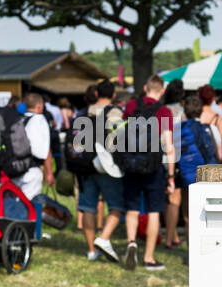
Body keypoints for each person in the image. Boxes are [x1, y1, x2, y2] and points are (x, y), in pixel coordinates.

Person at [117, 74, 175, 273]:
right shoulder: (164, 111)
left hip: (131, 163)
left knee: (132, 209)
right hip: (153, 167)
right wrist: (171, 176)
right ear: (162, 91)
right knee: (153, 211)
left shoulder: (131, 106)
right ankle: (149, 258)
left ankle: (132, 242)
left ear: (145, 87)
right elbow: (168, 146)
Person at [71, 80, 124, 262]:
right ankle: (104, 237)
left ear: (95, 94)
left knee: (87, 208)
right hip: (107, 166)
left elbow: (76, 142)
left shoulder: (82, 113)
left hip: (85, 167)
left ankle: (91, 250)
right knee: (117, 206)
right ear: (114, 95)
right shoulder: (115, 113)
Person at [176, 94, 216, 235]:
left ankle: (190, 249)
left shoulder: (178, 129)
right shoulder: (207, 129)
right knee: (206, 213)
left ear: (185, 111)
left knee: (188, 215)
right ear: (201, 111)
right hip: (204, 175)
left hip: (185, 175)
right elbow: (215, 152)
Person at [17, 93, 55, 242]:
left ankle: (17, 230)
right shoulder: (39, 120)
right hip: (32, 169)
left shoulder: (18, 119)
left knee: (18, 203)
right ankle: (34, 233)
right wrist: (49, 172)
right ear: (40, 106)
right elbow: (44, 149)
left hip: (15, 169)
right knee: (34, 203)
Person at [162, 81, 186, 248]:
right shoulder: (181, 112)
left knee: (166, 198)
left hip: (159, 156)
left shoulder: (162, 110)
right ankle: (169, 239)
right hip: (174, 157)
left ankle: (174, 235)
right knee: (174, 199)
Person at [197, 84, 222, 160]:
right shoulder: (217, 117)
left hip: (198, 155)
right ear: (213, 98)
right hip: (213, 156)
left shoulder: (195, 115)